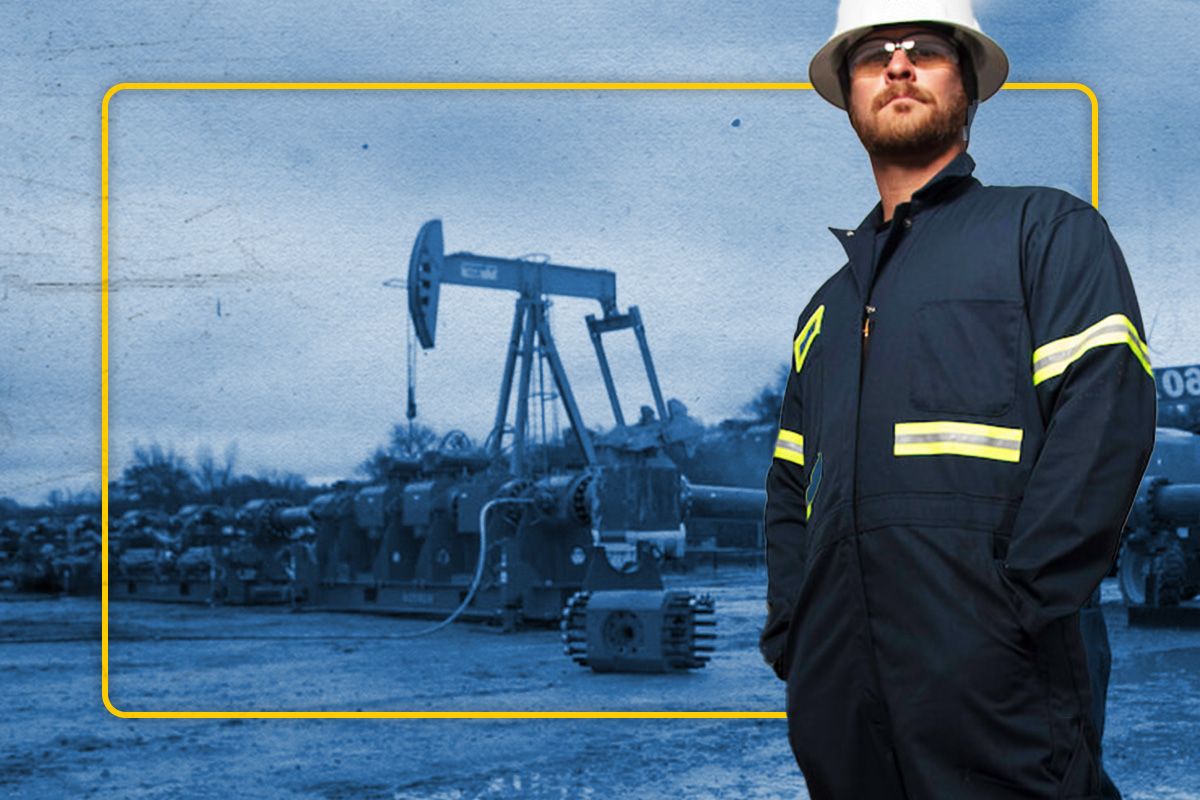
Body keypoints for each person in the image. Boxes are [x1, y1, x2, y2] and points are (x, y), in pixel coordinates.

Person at [758, 1, 1157, 797]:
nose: (899, 67)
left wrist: (1016, 612)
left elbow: (1104, 412)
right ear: (848, 95)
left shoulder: (1042, 232)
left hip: (1000, 681)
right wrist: (796, 640)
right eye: (874, 55)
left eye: (925, 51)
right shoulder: (825, 311)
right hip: (840, 696)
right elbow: (790, 487)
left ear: (968, 89)